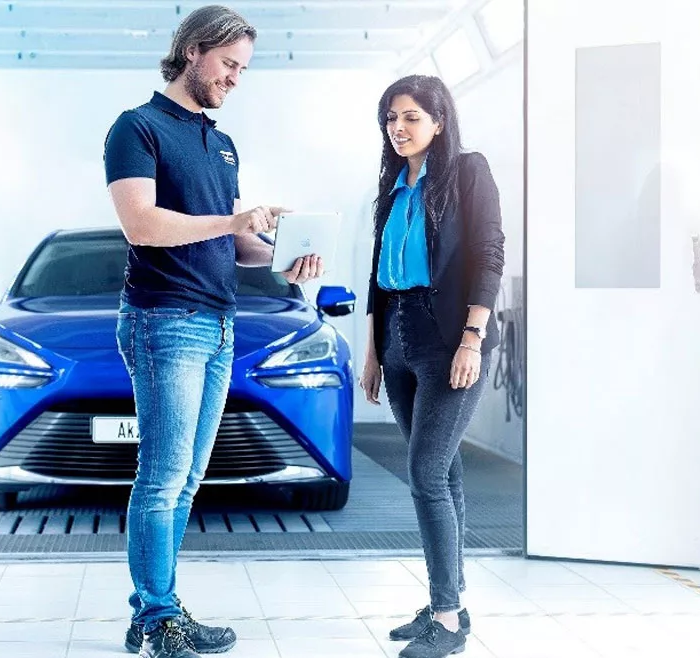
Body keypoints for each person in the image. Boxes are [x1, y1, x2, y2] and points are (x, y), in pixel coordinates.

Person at [103, 6, 324, 658]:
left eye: (243, 70)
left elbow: (234, 244)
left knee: (187, 480)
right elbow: (142, 225)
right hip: (164, 320)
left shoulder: (220, 143)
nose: (235, 79)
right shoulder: (136, 129)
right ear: (193, 49)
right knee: (163, 476)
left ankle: (155, 612)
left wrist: (282, 257)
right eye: (229, 65)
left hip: (220, 322)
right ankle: (160, 614)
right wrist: (231, 224)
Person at [358, 75, 505, 658]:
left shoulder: (468, 172)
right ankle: (450, 598)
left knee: (424, 473)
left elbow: (488, 253)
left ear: (439, 121)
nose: (399, 127)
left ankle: (447, 618)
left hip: (448, 340)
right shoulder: (392, 185)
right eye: (391, 117)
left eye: (412, 117)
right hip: (397, 339)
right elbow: (377, 276)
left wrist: (473, 336)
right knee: (442, 475)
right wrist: (372, 353)